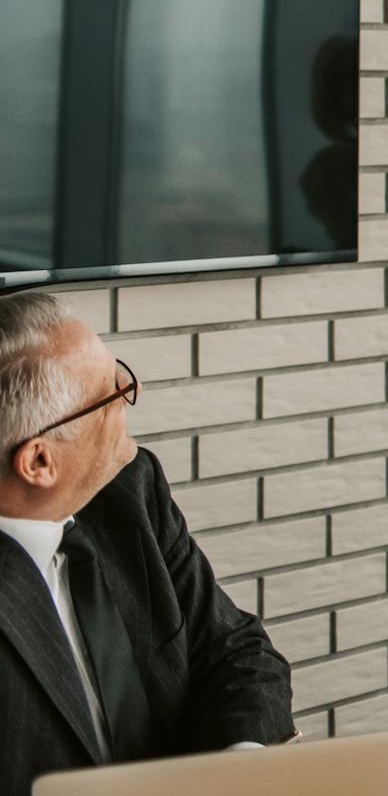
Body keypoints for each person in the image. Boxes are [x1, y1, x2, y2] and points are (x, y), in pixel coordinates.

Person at [0, 292, 294, 793]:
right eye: (110, 394)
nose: (129, 395)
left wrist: (241, 767)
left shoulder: (129, 492)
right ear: (39, 462)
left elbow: (234, 650)